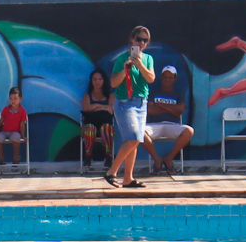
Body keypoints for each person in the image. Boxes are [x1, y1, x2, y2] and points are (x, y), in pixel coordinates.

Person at [105, 26, 156, 189]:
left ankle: (128, 178)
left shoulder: (148, 59)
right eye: (139, 39)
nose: (141, 43)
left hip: (141, 103)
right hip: (125, 102)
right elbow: (113, 83)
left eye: (145, 40)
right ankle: (111, 172)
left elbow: (151, 78)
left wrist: (139, 64)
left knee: (134, 140)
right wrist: (126, 68)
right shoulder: (122, 59)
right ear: (132, 40)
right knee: (134, 137)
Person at [141, 66, 194, 175]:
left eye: (170, 78)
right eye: (165, 77)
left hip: (172, 125)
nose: (167, 80)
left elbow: (180, 110)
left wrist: (160, 105)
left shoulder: (179, 93)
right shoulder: (153, 92)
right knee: (139, 132)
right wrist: (172, 109)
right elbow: (150, 110)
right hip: (154, 125)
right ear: (161, 77)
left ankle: (168, 158)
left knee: (189, 131)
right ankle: (157, 159)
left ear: (175, 79)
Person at [79, 69, 115, 174]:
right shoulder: (87, 96)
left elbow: (111, 109)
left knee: (107, 128)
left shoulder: (110, 96)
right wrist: (103, 107)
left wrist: (95, 106)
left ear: (104, 80)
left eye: (100, 79)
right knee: (90, 128)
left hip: (105, 125)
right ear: (91, 81)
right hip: (91, 124)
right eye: (95, 79)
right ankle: (88, 155)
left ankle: (108, 155)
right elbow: (86, 108)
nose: (97, 82)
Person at [0, 87, 28, 167]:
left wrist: (23, 135)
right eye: (11, 99)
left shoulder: (22, 111)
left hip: (15, 132)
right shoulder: (6, 109)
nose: (13, 101)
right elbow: (1, 120)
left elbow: (22, 124)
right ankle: (2, 159)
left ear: (20, 99)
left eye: (15, 99)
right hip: (4, 131)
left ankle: (16, 158)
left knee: (16, 138)